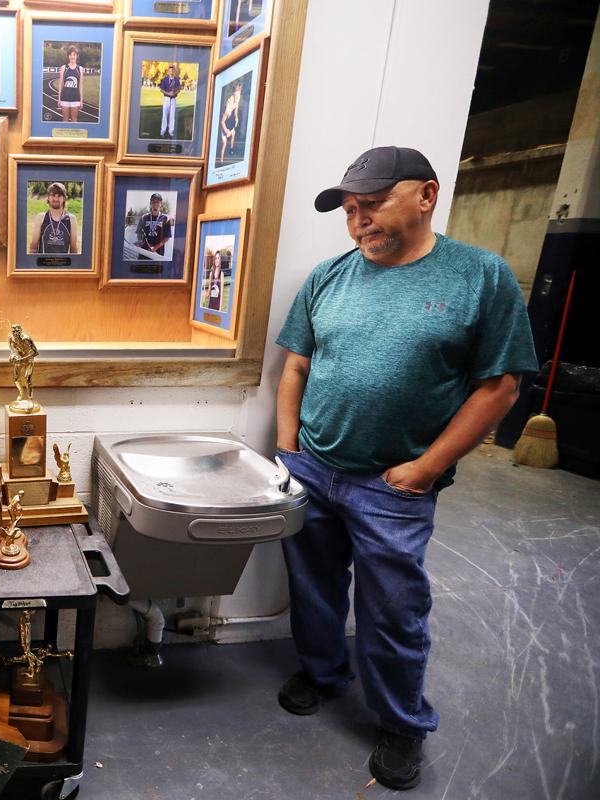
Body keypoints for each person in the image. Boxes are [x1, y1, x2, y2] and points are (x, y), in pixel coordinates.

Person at [273, 146, 537, 791]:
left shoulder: (480, 276)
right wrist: (289, 454)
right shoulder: (329, 276)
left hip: (392, 485)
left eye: (372, 206)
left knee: (394, 609)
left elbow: (500, 388)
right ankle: (324, 671)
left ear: (426, 195)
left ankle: (401, 722)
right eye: (351, 210)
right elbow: (296, 368)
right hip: (313, 468)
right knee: (313, 588)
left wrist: (427, 467)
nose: (359, 221)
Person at [31, 182, 74, 254]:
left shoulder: (71, 219)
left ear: (64, 198)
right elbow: (33, 248)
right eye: (53, 195)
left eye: (59, 195)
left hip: (63, 264)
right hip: (43, 264)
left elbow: (74, 249)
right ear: (48, 197)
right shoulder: (41, 218)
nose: (56, 198)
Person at [136, 193, 171, 259]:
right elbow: (139, 233)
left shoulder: (166, 218)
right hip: (144, 252)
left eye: (157, 202)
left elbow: (167, 238)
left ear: (161, 203)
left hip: (158, 254)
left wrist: (155, 248)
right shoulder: (144, 217)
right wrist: (140, 241)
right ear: (150, 203)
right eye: (153, 202)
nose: (155, 204)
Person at [57, 46, 83, 123]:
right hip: (65, 97)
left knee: (74, 120)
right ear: (68, 56)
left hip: (75, 98)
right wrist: (59, 99)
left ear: (76, 56)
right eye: (70, 55)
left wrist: (81, 100)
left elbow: (80, 86)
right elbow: (60, 84)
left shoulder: (80, 69)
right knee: (65, 119)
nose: (72, 56)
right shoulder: (64, 68)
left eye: (74, 55)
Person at [219, 79, 243, 164]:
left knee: (233, 134)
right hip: (224, 126)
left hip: (230, 123)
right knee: (224, 144)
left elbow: (236, 110)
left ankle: (232, 150)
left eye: (239, 91)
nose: (238, 94)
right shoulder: (228, 107)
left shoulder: (238, 97)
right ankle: (221, 161)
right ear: (234, 92)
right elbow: (222, 122)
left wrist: (236, 117)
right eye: (237, 91)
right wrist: (226, 131)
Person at [158, 64, 181, 138]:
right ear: (168, 71)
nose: (172, 71)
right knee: (165, 115)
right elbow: (161, 89)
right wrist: (168, 93)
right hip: (167, 99)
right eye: (170, 70)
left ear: (174, 71)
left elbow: (179, 89)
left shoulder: (176, 80)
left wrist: (174, 93)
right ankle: (163, 131)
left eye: (173, 70)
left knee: (172, 116)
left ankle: (171, 132)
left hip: (173, 99)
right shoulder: (165, 79)